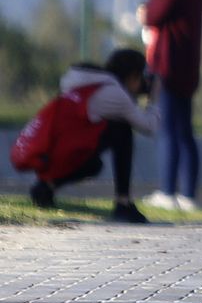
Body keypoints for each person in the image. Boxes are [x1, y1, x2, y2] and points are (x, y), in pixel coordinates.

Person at [18, 49, 158, 223]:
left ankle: (46, 187)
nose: (144, 82)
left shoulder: (81, 82)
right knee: (122, 131)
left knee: (95, 162)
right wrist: (154, 100)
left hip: (49, 154)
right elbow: (149, 127)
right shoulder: (114, 93)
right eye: (141, 76)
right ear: (132, 76)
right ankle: (123, 202)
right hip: (61, 156)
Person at [138, 0, 202, 213]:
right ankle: (187, 194)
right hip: (187, 67)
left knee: (168, 130)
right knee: (184, 131)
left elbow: (153, 15)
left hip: (168, 66)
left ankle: (168, 190)